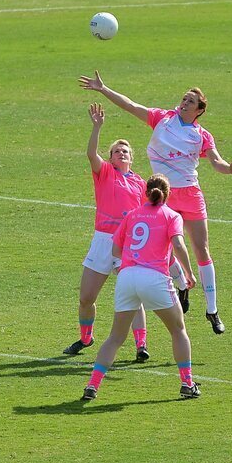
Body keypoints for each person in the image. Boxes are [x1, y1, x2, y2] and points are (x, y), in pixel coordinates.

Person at [78, 71, 232, 335]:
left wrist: (230, 169)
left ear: (199, 110)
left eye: (190, 102)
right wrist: (104, 89)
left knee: (201, 250)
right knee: (165, 249)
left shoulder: (202, 135)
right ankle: (181, 286)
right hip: (163, 195)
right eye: (183, 99)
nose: (183, 103)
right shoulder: (162, 118)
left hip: (190, 194)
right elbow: (131, 106)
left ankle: (212, 310)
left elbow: (215, 161)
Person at [81, 174, 200, 401]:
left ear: (145, 192)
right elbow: (177, 244)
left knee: (115, 337)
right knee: (178, 330)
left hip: (126, 277)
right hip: (154, 278)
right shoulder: (171, 215)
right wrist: (188, 272)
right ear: (167, 194)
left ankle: (92, 386)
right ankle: (187, 383)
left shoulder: (132, 215)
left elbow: (115, 250)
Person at [63, 103, 150, 361]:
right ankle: (86, 338)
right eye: (116, 151)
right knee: (86, 297)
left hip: (128, 243)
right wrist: (97, 127)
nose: (121, 153)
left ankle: (141, 345)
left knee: (133, 295)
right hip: (102, 240)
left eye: (125, 151)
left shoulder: (140, 183)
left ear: (131, 158)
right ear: (110, 157)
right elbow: (91, 154)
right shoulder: (105, 173)